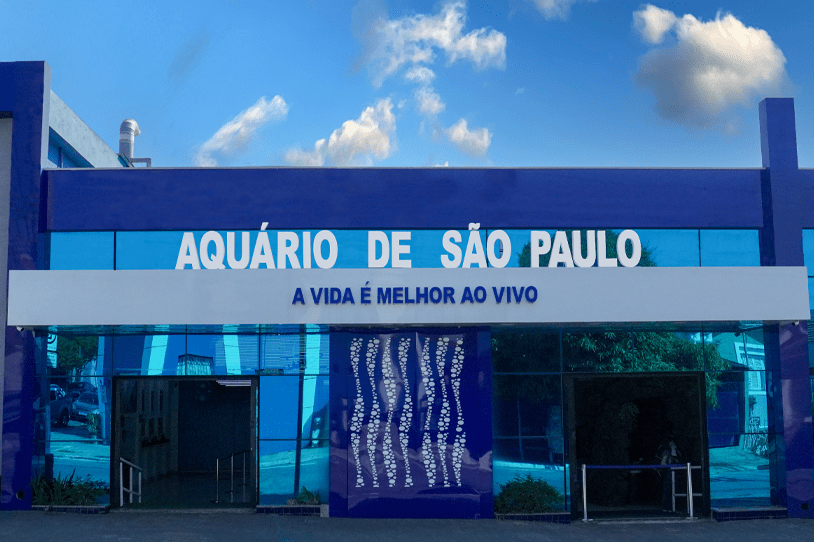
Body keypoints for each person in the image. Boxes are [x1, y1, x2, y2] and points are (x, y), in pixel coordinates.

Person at [658, 434, 681, 512]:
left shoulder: (675, 452)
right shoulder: (667, 452)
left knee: (674, 490)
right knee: (668, 490)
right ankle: (667, 507)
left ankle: (672, 507)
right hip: (669, 472)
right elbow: (663, 463)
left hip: (674, 472)